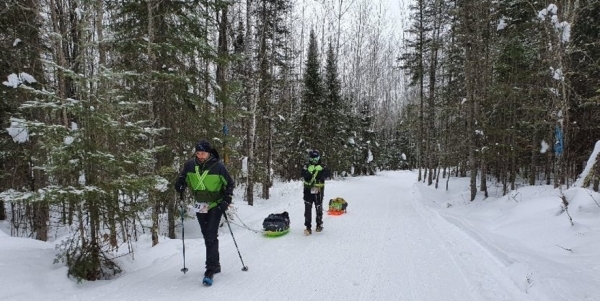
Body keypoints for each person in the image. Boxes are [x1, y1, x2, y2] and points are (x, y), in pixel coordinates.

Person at [175, 140, 234, 282]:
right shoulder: (190, 165)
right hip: (200, 204)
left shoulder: (218, 167)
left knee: (210, 234)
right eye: (198, 153)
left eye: (203, 153)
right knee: (207, 235)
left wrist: (226, 201)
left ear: (209, 153)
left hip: (216, 204)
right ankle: (215, 264)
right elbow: (182, 178)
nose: (200, 155)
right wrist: (179, 184)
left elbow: (230, 184)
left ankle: (211, 268)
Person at [301, 149, 328, 235]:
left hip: (318, 190)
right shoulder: (306, 166)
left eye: (315, 159)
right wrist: (309, 171)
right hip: (308, 190)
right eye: (312, 159)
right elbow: (304, 175)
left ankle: (319, 225)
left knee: (318, 207)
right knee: (307, 208)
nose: (314, 161)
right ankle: (308, 227)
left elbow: (326, 174)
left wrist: (319, 172)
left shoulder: (322, 166)